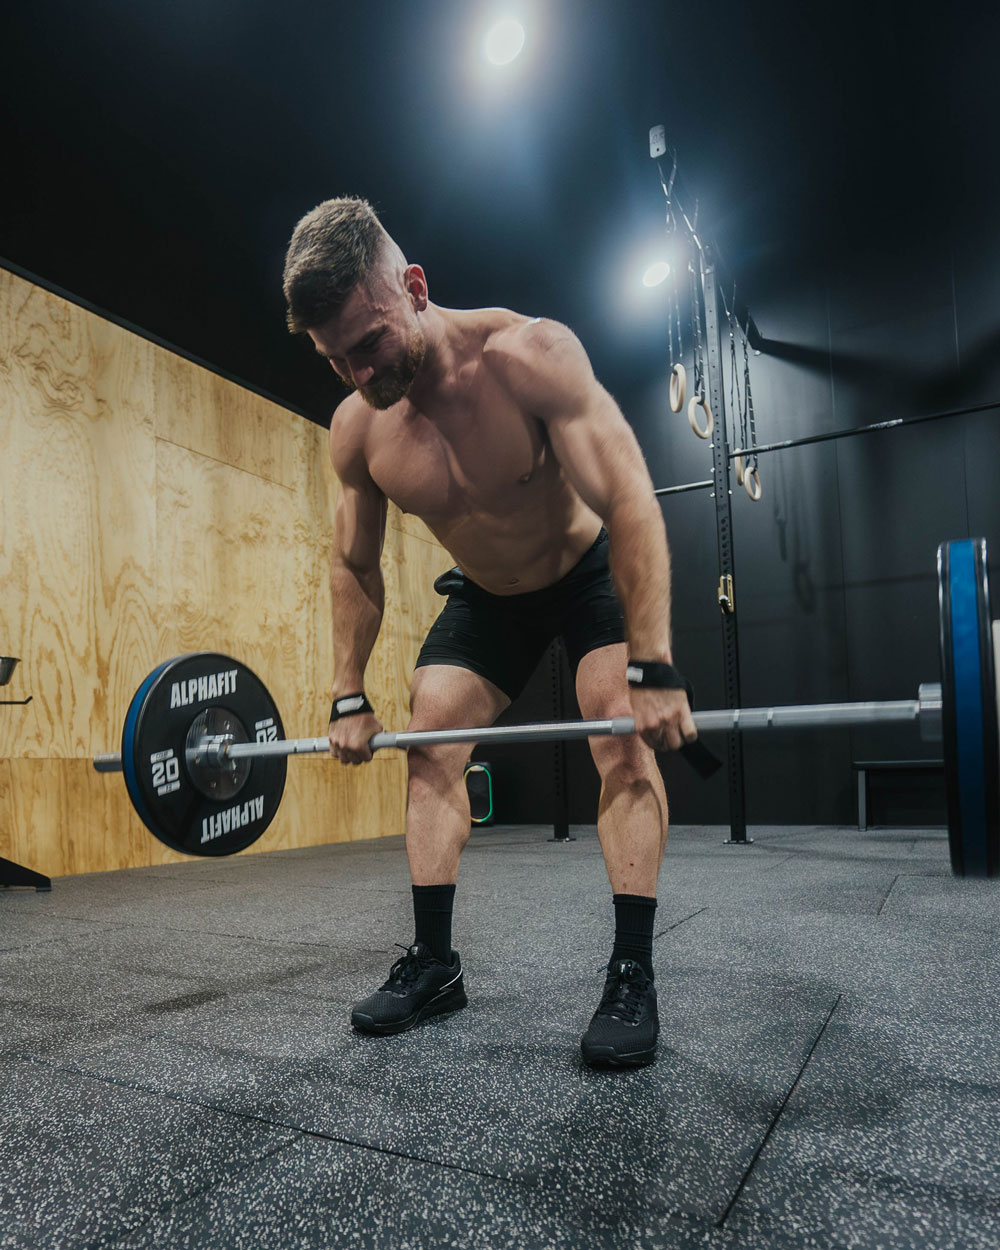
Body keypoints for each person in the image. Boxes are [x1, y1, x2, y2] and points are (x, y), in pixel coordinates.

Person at [282, 197, 697, 1068]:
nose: (358, 374)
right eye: (336, 360)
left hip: (586, 574)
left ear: (415, 287)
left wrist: (655, 660)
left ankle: (631, 972)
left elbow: (628, 501)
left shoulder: (528, 357)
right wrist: (347, 693)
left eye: (369, 343)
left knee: (616, 723)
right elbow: (354, 567)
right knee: (429, 734)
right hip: (488, 594)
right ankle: (435, 963)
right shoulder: (359, 430)